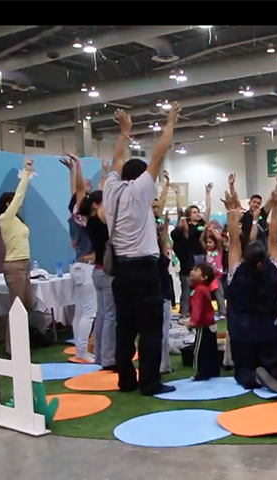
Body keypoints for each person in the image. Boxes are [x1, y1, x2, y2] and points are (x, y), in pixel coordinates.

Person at [102, 106, 179, 396]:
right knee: (150, 329)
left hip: (120, 269)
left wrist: (125, 131)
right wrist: (170, 122)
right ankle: (149, 382)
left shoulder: (110, 190)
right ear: (141, 177)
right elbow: (158, 155)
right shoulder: (140, 191)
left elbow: (117, 159)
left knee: (124, 327)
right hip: (144, 268)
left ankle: (126, 380)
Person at [222, 179, 277, 393]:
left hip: (243, 330)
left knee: (243, 369)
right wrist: (276, 207)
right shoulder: (274, 271)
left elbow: (234, 240)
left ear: (244, 257)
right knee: (274, 361)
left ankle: (254, 376)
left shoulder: (237, 273)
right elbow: (273, 237)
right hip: (269, 329)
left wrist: (230, 211)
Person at [0, 158, 49, 351]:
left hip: (24, 265)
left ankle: (24, 341)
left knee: (25, 304)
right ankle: (12, 347)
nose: (20, 204)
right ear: (7, 204)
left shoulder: (17, 221)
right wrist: (26, 174)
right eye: (14, 202)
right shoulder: (5, 218)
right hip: (15, 265)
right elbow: (19, 196)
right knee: (17, 306)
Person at [60, 153, 97, 363]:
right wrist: (78, 166)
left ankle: (80, 349)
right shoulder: (84, 219)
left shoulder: (73, 219)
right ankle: (82, 351)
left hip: (78, 267)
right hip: (87, 267)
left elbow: (75, 192)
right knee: (89, 312)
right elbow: (79, 191)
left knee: (80, 311)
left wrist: (72, 171)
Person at [81, 189, 117, 371]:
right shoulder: (98, 223)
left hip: (98, 271)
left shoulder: (90, 223)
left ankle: (100, 355)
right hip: (106, 272)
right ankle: (108, 357)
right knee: (110, 316)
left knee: (102, 314)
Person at [187, 262, 219, 380]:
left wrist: (193, 321)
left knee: (200, 349)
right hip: (210, 323)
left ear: (204, 277)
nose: (192, 271)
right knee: (210, 348)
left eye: (196, 270)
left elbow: (197, 307)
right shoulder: (203, 289)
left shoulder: (199, 290)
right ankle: (213, 370)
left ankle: (202, 372)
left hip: (203, 324)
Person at [157, 214, 175, 374]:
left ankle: (160, 363)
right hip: (162, 295)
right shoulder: (160, 260)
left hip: (157, 294)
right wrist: (166, 227)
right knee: (162, 331)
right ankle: (164, 364)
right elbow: (163, 244)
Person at [186, 185, 212, 265]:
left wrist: (208, 193)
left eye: (198, 212)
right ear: (189, 215)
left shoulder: (202, 222)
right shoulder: (187, 226)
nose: (197, 214)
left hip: (203, 253)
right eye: (194, 213)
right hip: (192, 255)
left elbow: (208, 209)